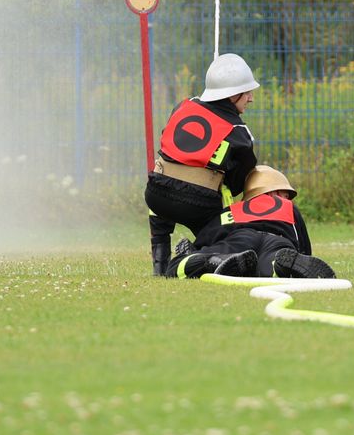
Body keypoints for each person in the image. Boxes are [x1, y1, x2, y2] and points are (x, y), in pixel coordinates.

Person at [144, 53, 262, 275]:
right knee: (222, 230)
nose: (251, 98)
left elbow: (169, 143)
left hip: (155, 196)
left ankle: (159, 266)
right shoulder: (239, 133)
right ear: (232, 95)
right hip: (196, 206)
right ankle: (204, 255)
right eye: (247, 92)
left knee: (161, 185)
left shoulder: (183, 105)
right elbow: (237, 184)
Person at [167, 165, 337, 280]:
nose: (286, 198)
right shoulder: (288, 207)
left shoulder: (235, 209)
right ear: (273, 191)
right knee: (267, 268)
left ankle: (214, 261)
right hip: (278, 242)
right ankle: (279, 267)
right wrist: (300, 257)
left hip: (240, 238)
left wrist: (196, 249)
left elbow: (209, 235)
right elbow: (303, 248)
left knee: (175, 266)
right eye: (285, 193)